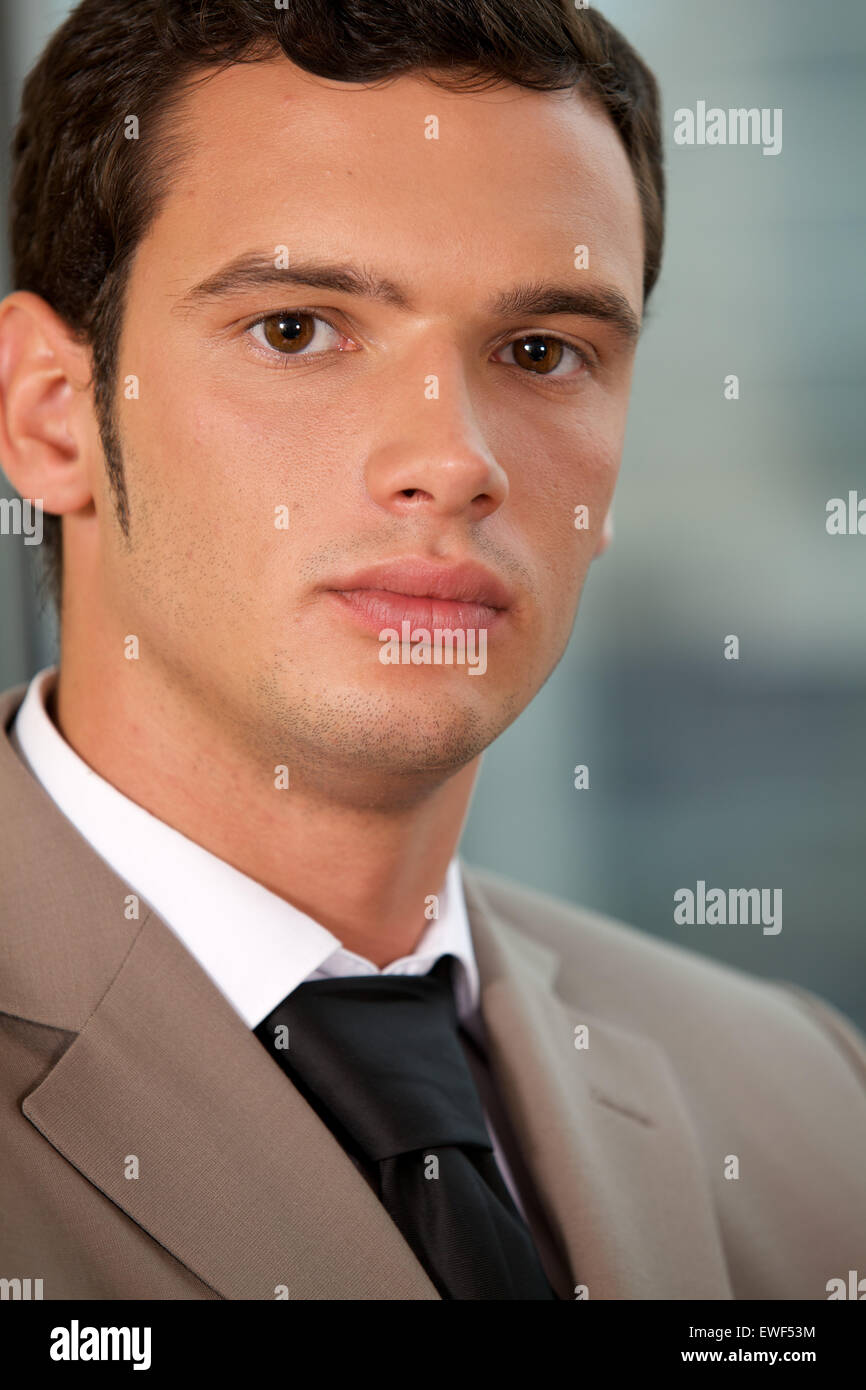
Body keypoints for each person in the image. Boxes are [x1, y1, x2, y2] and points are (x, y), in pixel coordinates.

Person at [0, 0, 863, 1302]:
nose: (454, 459)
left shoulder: (802, 1096)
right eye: (297, 328)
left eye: (540, 351)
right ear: (51, 417)